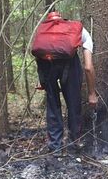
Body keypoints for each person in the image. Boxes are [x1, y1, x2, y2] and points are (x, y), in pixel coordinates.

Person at [33, 11, 98, 153]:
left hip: (46, 67)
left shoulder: (43, 31)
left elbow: (39, 54)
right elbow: (88, 67)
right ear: (63, 19)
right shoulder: (80, 31)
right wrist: (92, 93)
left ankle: (55, 146)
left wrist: (41, 80)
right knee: (74, 105)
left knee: (53, 105)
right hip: (70, 66)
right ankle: (74, 144)